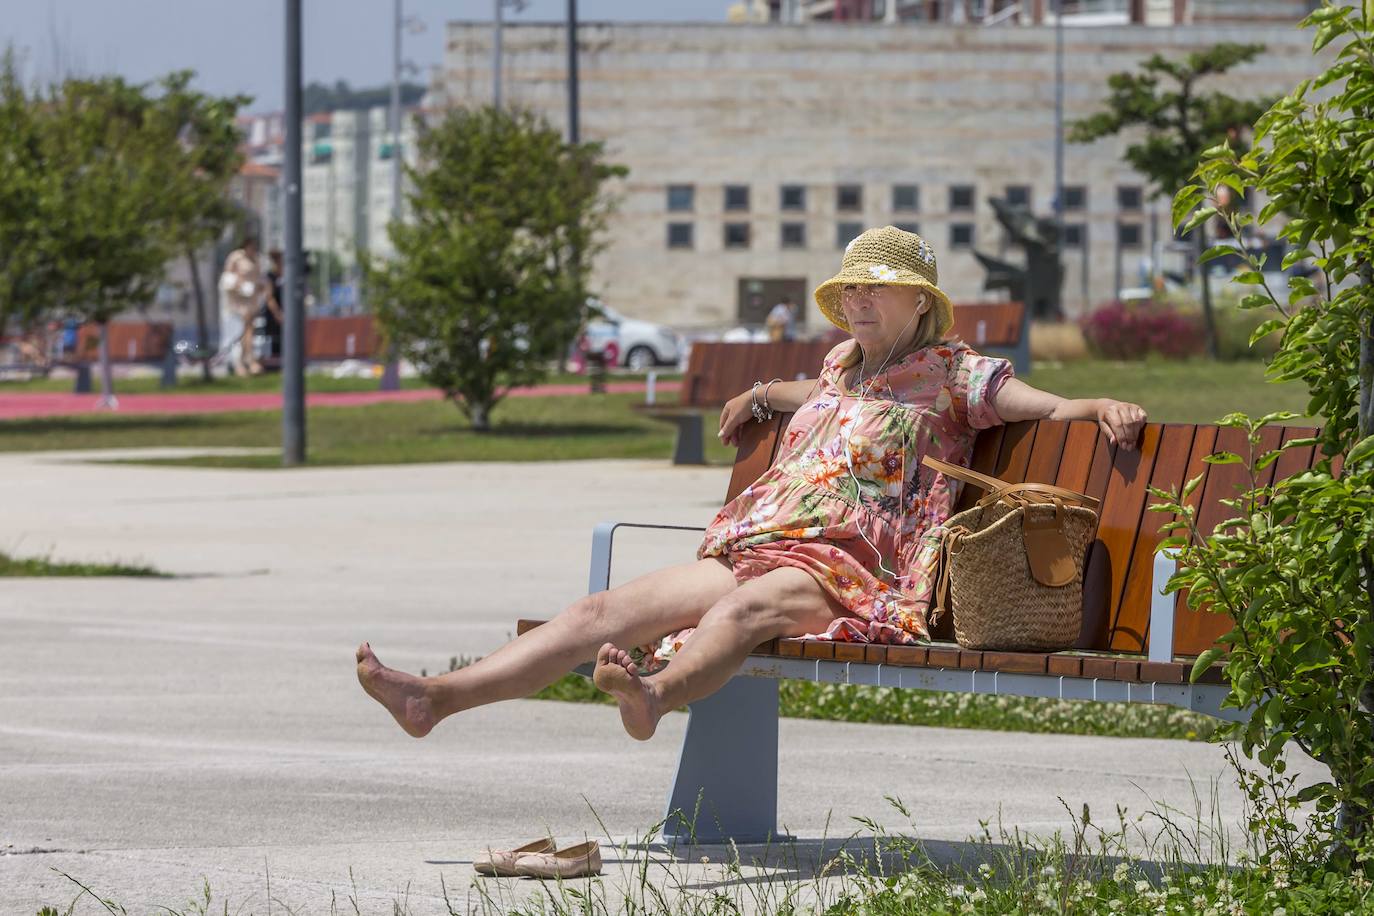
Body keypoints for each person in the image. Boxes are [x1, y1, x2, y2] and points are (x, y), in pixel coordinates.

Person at [356, 226, 1147, 742]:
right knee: (600, 610)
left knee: (746, 609)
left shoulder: (952, 375)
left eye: (874, 289)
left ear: (920, 301)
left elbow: (1029, 403)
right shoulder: (844, 366)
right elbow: (825, 399)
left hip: (848, 572)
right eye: (850, 292)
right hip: (756, 543)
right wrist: (767, 394)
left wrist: (1091, 405)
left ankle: (654, 698)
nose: (857, 301)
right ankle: (435, 697)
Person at [219, 236, 265, 375]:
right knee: (240, 331)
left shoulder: (257, 259)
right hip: (237, 300)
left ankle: (247, 360)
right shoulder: (236, 257)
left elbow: (258, 278)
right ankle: (241, 362)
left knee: (248, 330)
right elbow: (228, 277)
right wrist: (240, 284)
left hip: (251, 299)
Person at [260, 249, 285, 362]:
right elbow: (269, 297)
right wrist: (278, 314)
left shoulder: (287, 276)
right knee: (275, 341)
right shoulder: (270, 277)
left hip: (286, 313)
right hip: (274, 315)